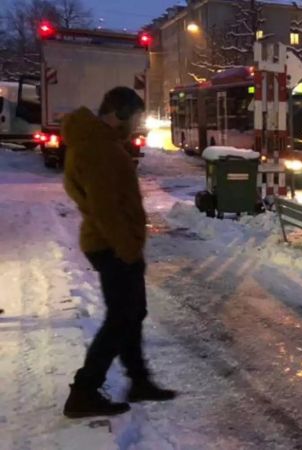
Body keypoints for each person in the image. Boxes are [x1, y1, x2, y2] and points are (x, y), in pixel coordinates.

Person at [61, 87, 175, 419]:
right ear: (119, 113)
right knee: (120, 319)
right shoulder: (97, 149)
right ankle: (83, 391)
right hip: (111, 246)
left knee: (131, 313)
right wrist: (127, 250)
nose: (136, 125)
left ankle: (139, 380)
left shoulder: (100, 143)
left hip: (116, 244)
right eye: (135, 117)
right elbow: (105, 208)